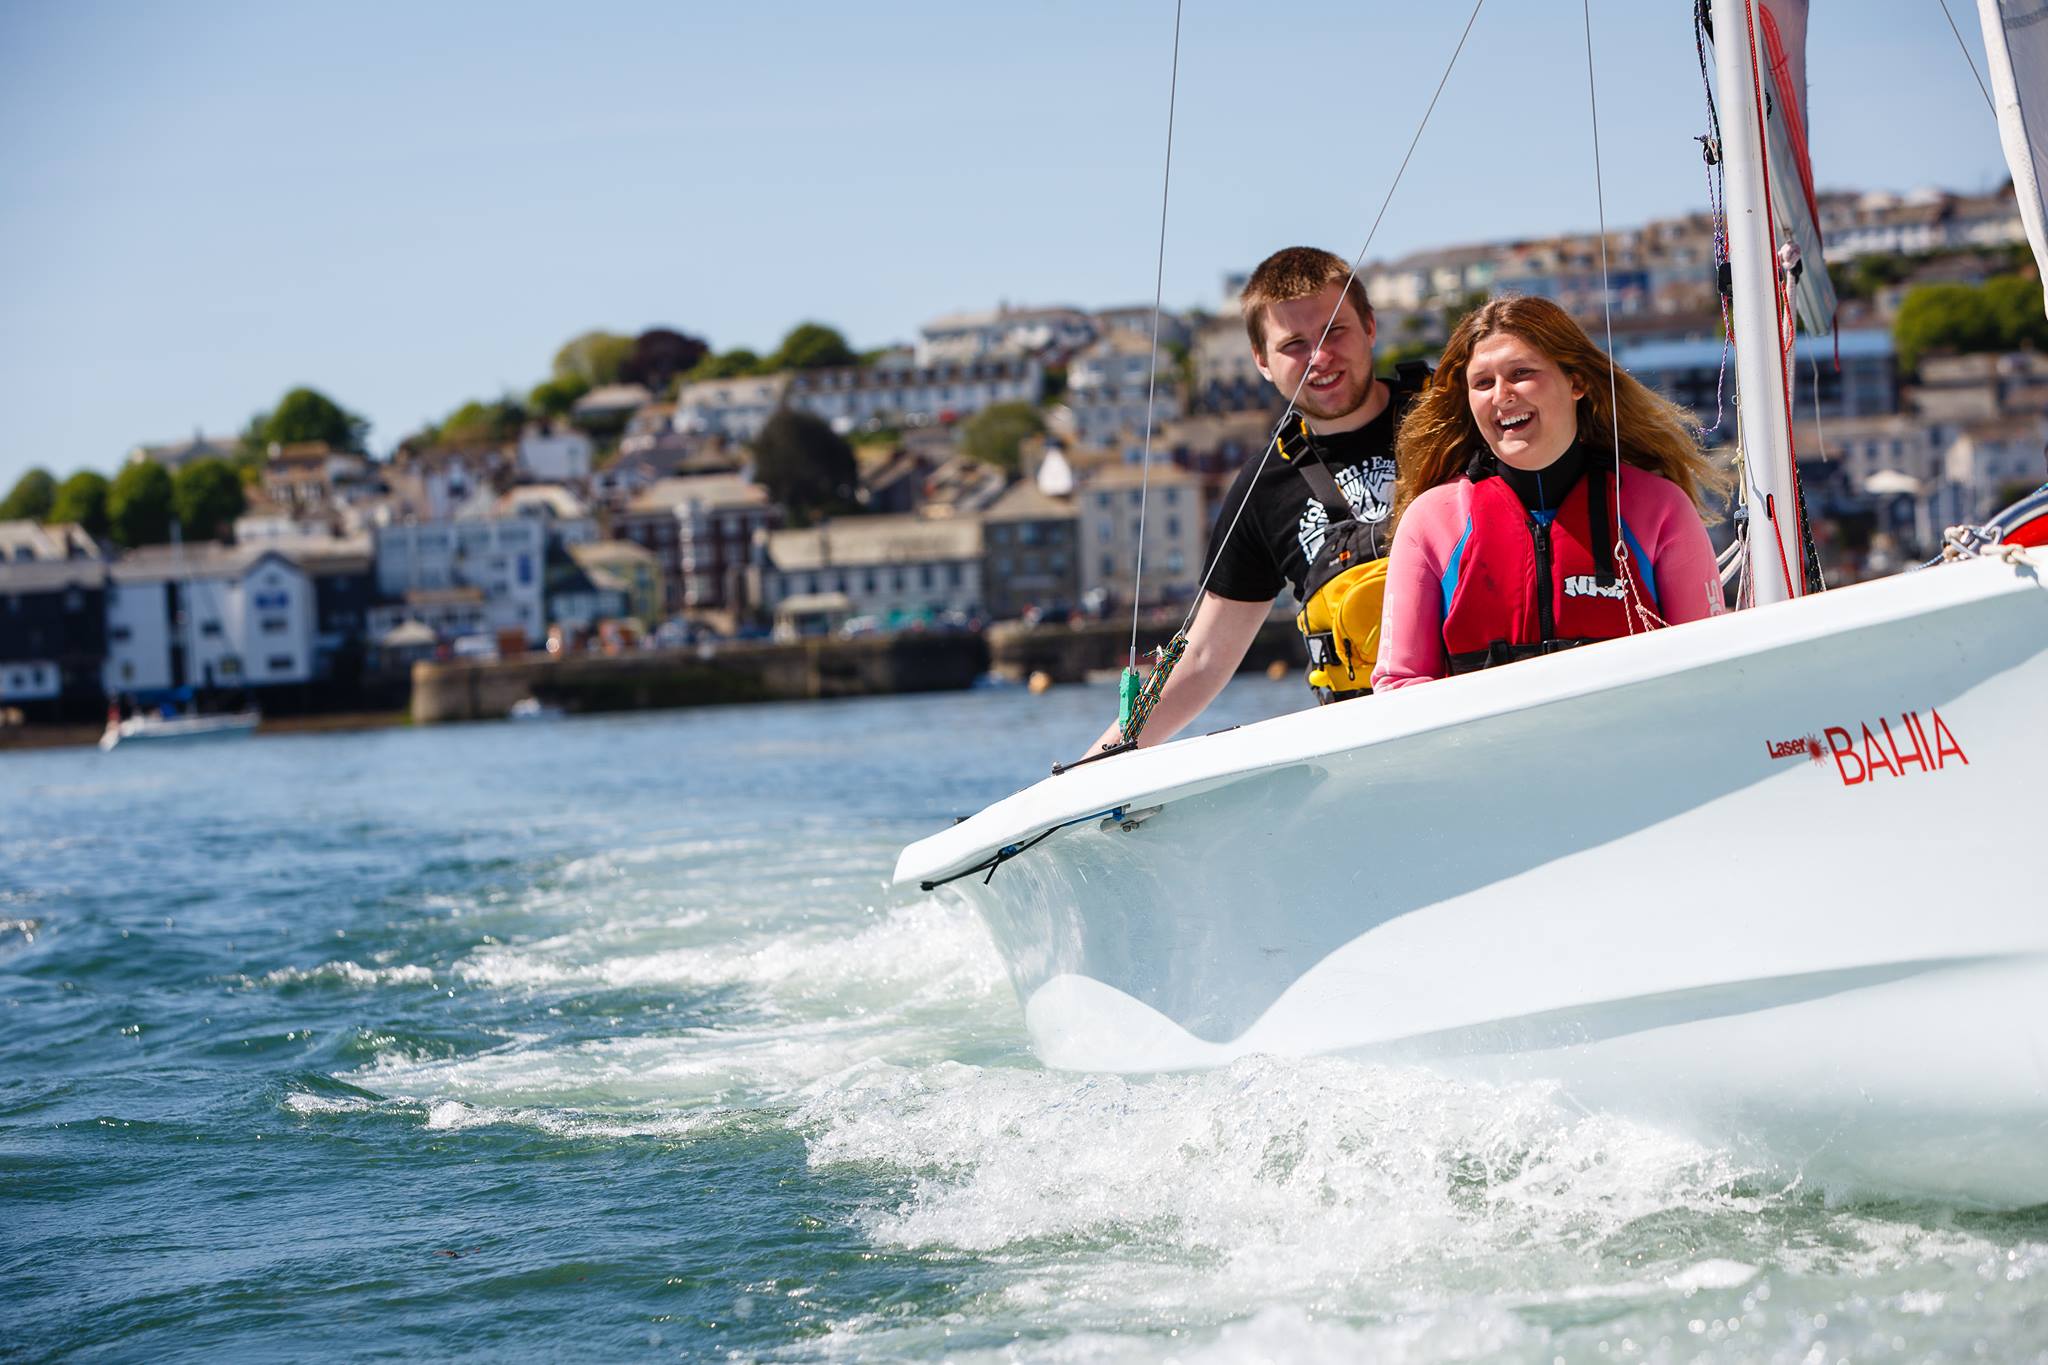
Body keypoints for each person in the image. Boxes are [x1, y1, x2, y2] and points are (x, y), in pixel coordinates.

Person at [1085, 246, 1428, 755]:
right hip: (1369, 747)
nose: (1320, 356)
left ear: (1371, 328)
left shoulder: (1458, 417)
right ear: (1262, 362)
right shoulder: (1261, 488)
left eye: (1335, 330)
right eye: (1294, 344)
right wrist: (1096, 766)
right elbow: (1202, 658)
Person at [1371, 295, 1727, 691]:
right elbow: (1398, 684)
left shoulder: (1657, 509)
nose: (1501, 395)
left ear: (1576, 382)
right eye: (1483, 383)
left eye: (1521, 372)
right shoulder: (1432, 522)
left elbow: (1712, 667)